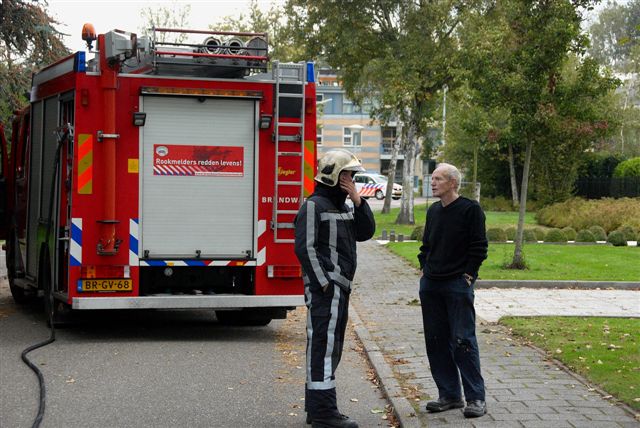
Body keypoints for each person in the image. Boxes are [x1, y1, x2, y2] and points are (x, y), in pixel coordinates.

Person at [294, 149, 376, 428]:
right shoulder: (314, 205)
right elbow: (305, 249)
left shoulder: (343, 205)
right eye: (349, 175)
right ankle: (323, 413)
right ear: (335, 176)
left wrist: (357, 199)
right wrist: (325, 284)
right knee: (323, 347)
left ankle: (316, 408)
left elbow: (366, 233)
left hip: (339, 288)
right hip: (327, 291)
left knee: (331, 347)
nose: (352, 180)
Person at [417, 163, 489, 418]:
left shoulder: (471, 210)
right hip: (431, 285)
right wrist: (424, 268)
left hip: (457, 285)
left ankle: (476, 398)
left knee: (463, 341)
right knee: (436, 342)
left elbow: (479, 246)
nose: (433, 182)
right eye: (432, 178)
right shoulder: (434, 211)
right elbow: (426, 246)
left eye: (438, 179)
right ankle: (449, 395)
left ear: (453, 183)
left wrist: (469, 275)